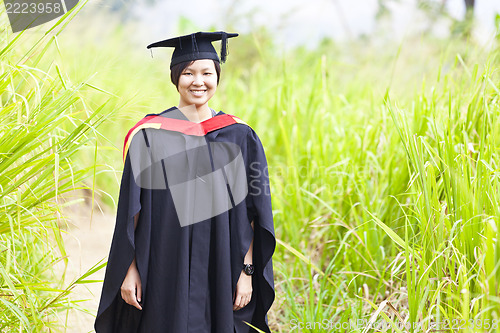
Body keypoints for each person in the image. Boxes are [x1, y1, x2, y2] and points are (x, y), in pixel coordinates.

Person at [94, 31, 276, 333]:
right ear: (176, 78)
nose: (198, 81)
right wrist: (129, 270)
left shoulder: (240, 136)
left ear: (217, 76)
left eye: (207, 72)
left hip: (222, 267)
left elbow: (255, 213)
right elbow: (131, 213)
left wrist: (247, 272)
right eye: (188, 73)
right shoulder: (150, 136)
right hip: (163, 265)